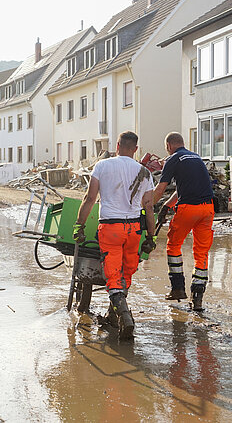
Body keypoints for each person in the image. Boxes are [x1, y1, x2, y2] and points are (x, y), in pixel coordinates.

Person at [73, 131, 156, 340]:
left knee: (112, 274)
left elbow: (90, 197)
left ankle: (125, 317)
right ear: (136, 149)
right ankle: (114, 314)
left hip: (110, 228)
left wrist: (79, 225)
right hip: (134, 229)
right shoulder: (145, 172)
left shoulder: (102, 165)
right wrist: (151, 237)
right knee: (126, 271)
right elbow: (148, 207)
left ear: (117, 145)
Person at [153, 132, 214, 311]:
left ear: (169, 146)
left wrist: (146, 206)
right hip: (208, 209)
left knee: (173, 245)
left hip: (189, 208)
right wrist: (166, 206)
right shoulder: (196, 158)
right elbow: (181, 190)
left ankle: (178, 288)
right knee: (201, 252)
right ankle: (198, 297)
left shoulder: (173, 159)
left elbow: (159, 189)